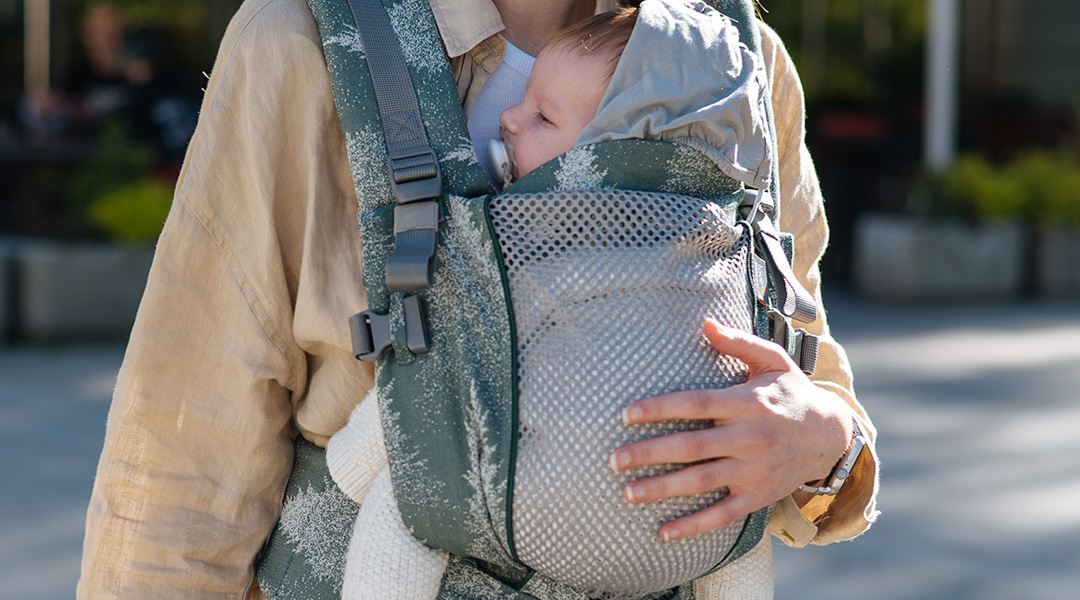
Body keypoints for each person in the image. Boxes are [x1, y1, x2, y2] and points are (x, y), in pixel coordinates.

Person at [77, 0, 879, 598]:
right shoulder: (301, 40)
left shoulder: (726, 59)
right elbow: (187, 451)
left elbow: (812, 381)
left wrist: (825, 444)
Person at [327, 5, 798, 597]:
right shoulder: (715, 250)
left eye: (543, 116)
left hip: (534, 494)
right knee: (739, 537)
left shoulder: (535, 244)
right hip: (690, 508)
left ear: (611, 151)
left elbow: (446, 382)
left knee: (411, 499)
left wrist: (350, 464)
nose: (510, 118)